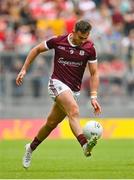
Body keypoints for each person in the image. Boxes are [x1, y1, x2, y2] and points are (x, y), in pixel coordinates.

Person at [16, 20, 102, 169]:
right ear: (74, 31)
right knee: (74, 111)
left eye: (86, 38)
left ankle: (30, 148)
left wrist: (93, 96)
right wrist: (24, 69)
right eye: (81, 37)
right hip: (56, 84)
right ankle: (84, 145)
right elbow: (36, 49)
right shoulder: (58, 41)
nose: (83, 41)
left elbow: (94, 73)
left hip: (73, 90)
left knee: (51, 124)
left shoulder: (90, 48)